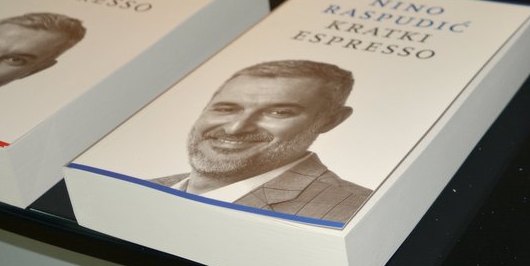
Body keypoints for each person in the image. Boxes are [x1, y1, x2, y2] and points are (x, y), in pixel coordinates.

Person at [154, 60, 372, 224]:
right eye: (226, 108)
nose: (235, 129)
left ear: (331, 120)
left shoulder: (352, 212)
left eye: (279, 112)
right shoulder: (152, 186)